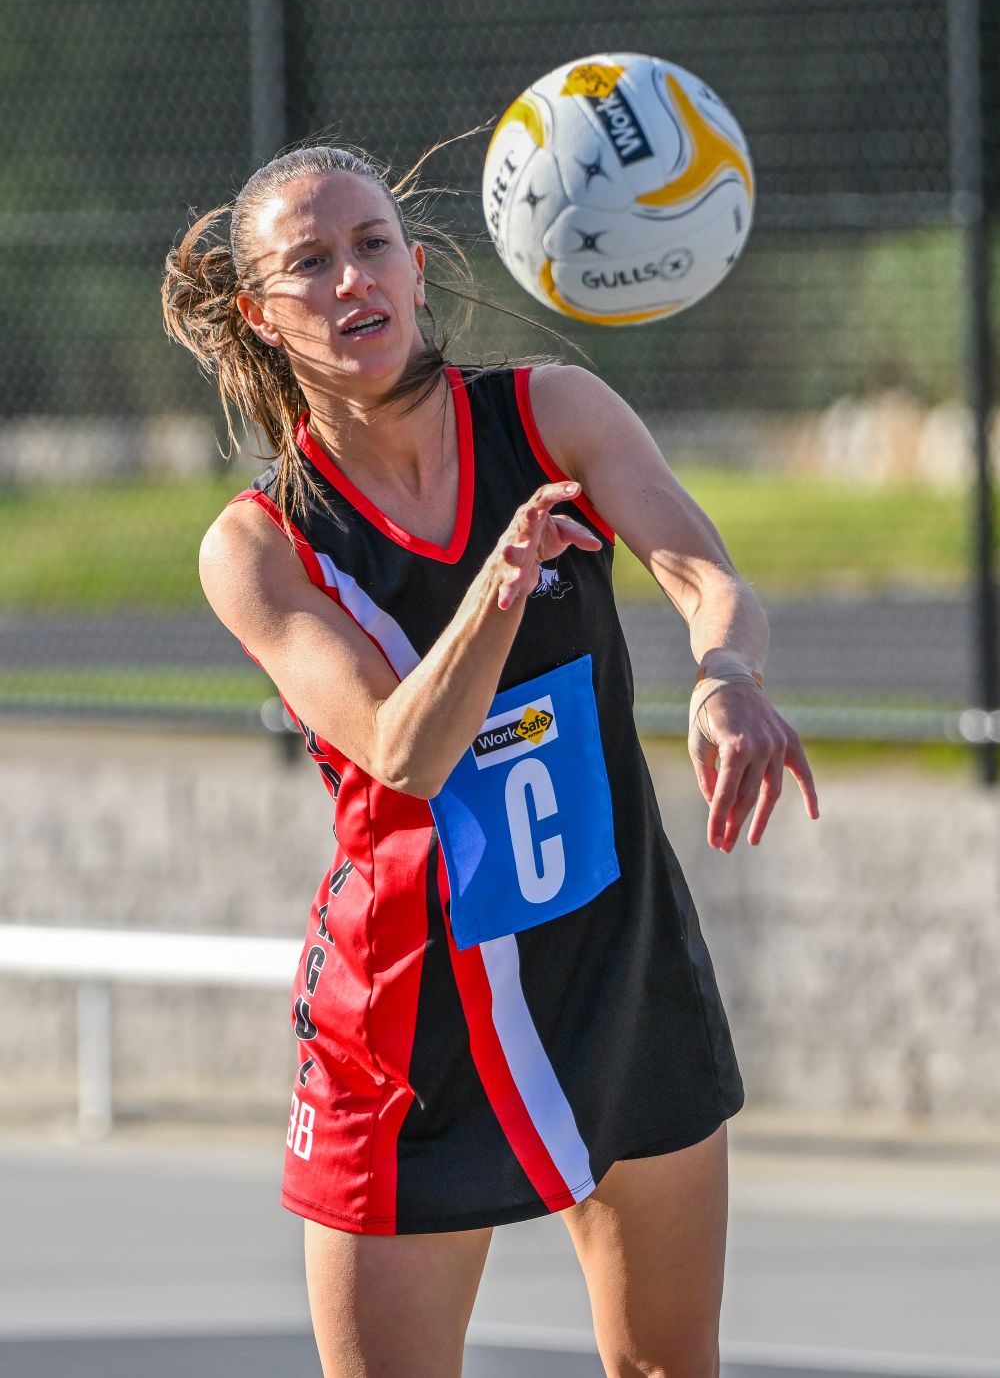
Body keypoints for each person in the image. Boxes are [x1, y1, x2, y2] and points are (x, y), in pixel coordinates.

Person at [162, 143, 819, 1378]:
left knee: (671, 1367)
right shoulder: (257, 547)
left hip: (615, 963)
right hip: (407, 1021)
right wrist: (498, 592)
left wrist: (726, 679)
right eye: (308, 261)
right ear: (259, 311)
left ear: (417, 269)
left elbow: (702, 572)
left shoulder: (547, 414)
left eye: (370, 245)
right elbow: (403, 753)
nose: (350, 277)